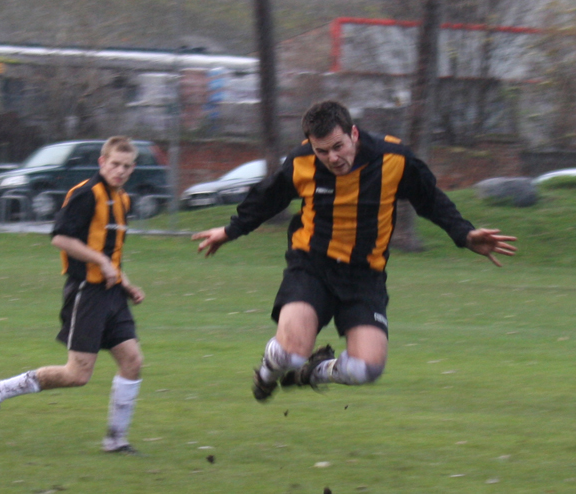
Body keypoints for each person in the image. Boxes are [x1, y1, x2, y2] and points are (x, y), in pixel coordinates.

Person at [193, 101, 517, 402]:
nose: (333, 158)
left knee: (367, 369)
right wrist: (229, 231)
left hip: (365, 274)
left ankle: (313, 372)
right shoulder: (301, 161)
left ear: (354, 134)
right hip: (311, 266)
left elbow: (430, 199)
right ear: (311, 146)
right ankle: (269, 370)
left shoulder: (394, 159)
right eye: (323, 151)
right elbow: (267, 198)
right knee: (290, 352)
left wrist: (464, 234)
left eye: (339, 146)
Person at [0, 136, 146, 453]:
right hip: (86, 293)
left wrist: (126, 283)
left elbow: (110, 253)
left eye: (126, 166)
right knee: (77, 374)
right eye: (115, 164)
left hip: (113, 296)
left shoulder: (123, 200)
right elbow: (61, 240)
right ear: (102, 162)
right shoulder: (84, 194)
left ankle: (115, 440)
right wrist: (101, 263)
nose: (120, 171)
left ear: (133, 168)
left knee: (133, 361)